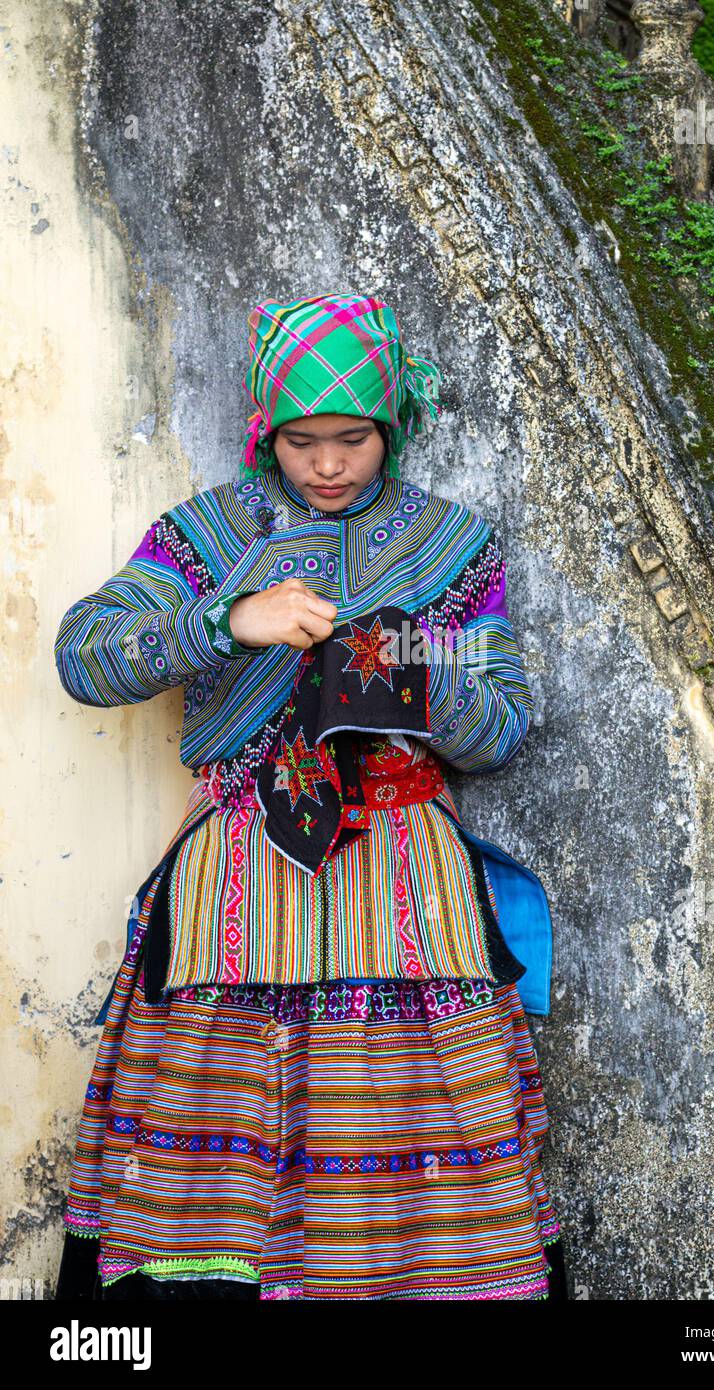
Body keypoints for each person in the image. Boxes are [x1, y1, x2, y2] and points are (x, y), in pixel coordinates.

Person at [52, 292, 567, 1301]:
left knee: (416, 1116)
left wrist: (404, 673)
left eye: (351, 439)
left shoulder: (453, 549)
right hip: (236, 877)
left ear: (392, 429)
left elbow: (501, 730)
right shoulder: (204, 535)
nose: (326, 466)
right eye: (299, 441)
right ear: (264, 432)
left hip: (405, 883)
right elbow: (83, 655)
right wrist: (226, 620)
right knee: (217, 1127)